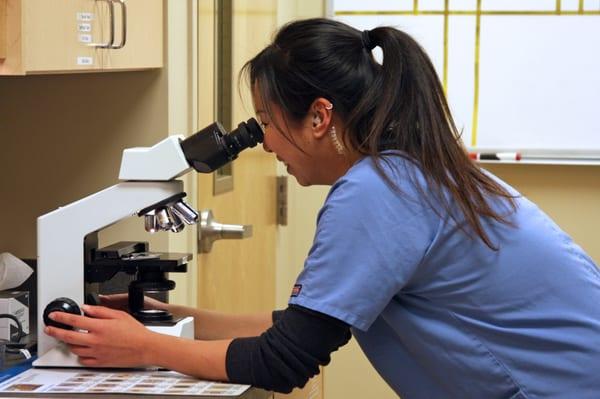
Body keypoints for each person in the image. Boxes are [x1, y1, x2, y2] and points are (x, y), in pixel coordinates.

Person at [45, 18, 600, 398]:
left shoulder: (379, 190)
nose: (264, 143)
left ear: (318, 117)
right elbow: (305, 326)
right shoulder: (413, 170)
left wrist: (143, 349)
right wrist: (174, 322)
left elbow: (283, 362)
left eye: (266, 122)